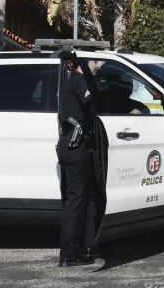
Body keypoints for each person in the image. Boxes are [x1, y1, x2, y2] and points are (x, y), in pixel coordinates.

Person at [56, 50, 99, 267]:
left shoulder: (70, 80)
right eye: (94, 61)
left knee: (87, 197)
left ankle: (88, 246)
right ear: (82, 61)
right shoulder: (79, 81)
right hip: (76, 145)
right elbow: (91, 108)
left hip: (72, 144)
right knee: (76, 200)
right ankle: (70, 254)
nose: (97, 64)